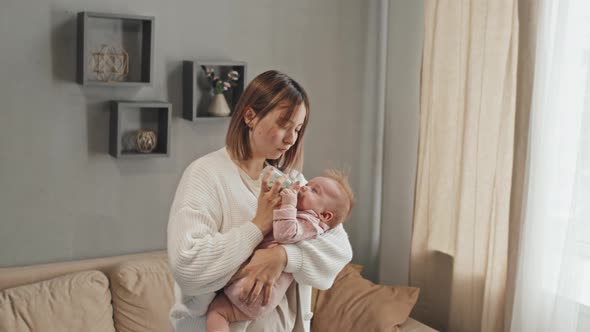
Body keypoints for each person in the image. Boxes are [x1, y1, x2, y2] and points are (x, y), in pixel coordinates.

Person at [167, 70, 353, 332]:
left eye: (298, 129)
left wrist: (283, 256)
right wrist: (257, 227)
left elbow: (340, 251)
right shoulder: (206, 175)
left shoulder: (293, 181)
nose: (291, 139)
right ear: (250, 116)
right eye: (283, 125)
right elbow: (188, 267)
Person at [206, 169, 355, 332]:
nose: (304, 187)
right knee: (217, 308)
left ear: (325, 216)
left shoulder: (311, 223)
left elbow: (285, 234)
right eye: (308, 184)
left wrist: (289, 205)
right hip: (258, 289)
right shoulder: (302, 205)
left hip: (258, 288)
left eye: (314, 190)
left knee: (218, 312)